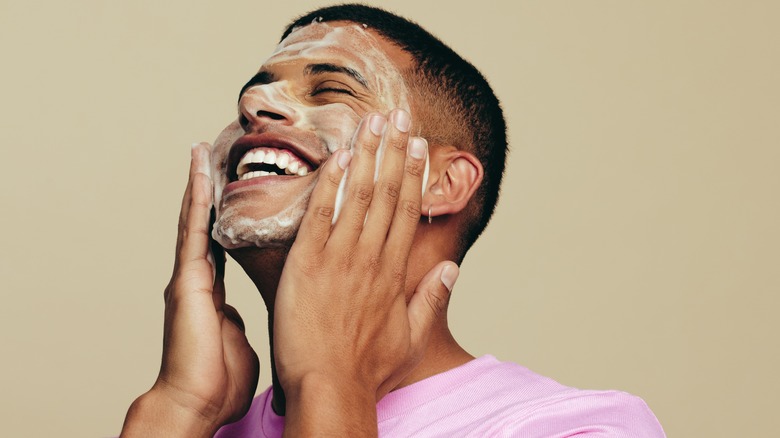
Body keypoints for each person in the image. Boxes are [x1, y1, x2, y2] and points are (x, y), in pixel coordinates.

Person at [120, 4, 665, 437]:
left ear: (440, 181)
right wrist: (179, 408)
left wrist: (332, 384)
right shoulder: (201, 427)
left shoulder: (582, 429)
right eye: (250, 100)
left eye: (329, 89)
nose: (255, 105)